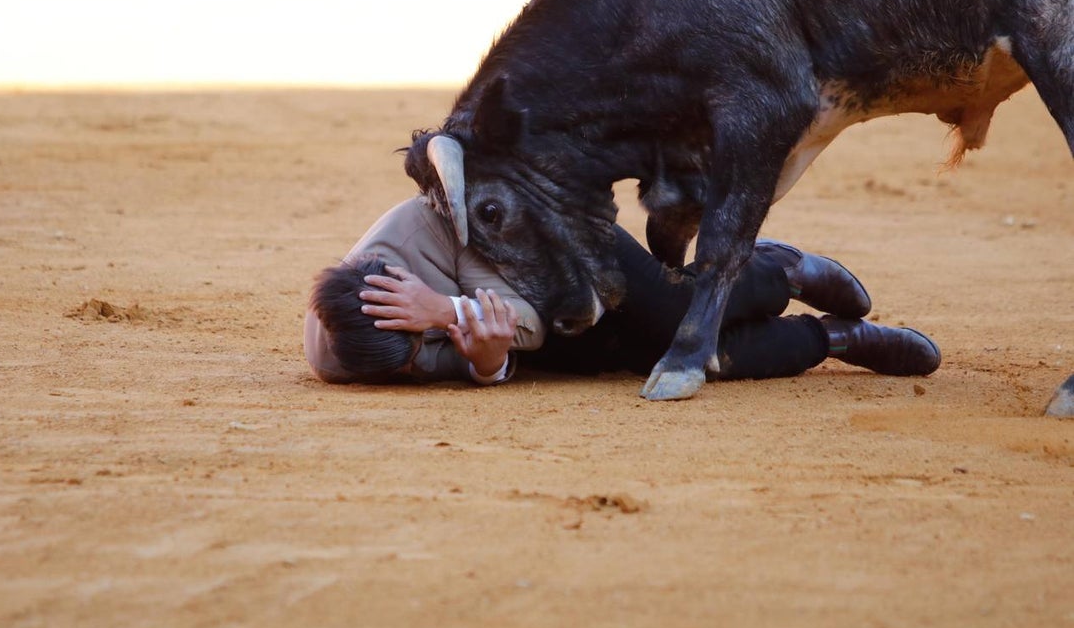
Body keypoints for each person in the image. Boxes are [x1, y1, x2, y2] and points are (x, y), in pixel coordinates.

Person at [304, 195, 940, 387]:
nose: (425, 356)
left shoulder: (430, 228)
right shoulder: (358, 354)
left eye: (421, 342)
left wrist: (446, 311)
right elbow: (482, 359)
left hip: (559, 244)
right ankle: (833, 339)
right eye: (414, 360)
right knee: (684, 358)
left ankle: (780, 270)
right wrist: (485, 360)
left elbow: (527, 323)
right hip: (558, 326)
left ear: (399, 287)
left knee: (673, 317)